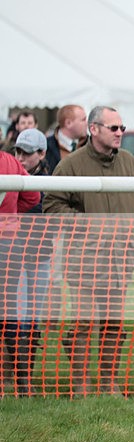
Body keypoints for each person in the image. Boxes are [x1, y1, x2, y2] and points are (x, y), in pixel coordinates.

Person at [43, 106, 134, 397]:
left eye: (122, 128)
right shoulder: (70, 165)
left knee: (114, 327)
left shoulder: (130, 163)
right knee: (82, 326)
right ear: (94, 129)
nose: (119, 133)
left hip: (121, 261)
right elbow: (52, 206)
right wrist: (88, 225)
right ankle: (80, 383)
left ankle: (108, 381)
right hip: (84, 263)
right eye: (113, 128)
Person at [13, 129, 53, 393]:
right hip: (13, 257)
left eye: (27, 153)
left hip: (39, 256)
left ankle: (25, 379)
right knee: (16, 317)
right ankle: (15, 379)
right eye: (18, 151)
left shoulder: (51, 182)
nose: (21, 157)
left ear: (41, 154)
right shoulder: (10, 177)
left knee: (32, 318)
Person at [0, 152, 40, 396]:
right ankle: (22, 382)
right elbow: (33, 195)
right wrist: (12, 211)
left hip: (8, 242)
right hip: (10, 241)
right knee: (10, 311)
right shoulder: (11, 161)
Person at [45, 104, 88, 172]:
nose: (87, 123)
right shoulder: (46, 146)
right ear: (68, 123)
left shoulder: (91, 144)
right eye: (83, 120)